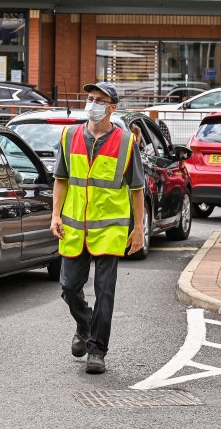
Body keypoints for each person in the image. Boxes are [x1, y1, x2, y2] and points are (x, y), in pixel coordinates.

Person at [49, 81, 145, 374]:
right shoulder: (69, 136)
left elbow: (137, 188)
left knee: (105, 292)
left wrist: (138, 228)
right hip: (75, 228)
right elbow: (61, 180)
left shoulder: (126, 142)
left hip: (109, 229)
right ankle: (85, 323)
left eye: (99, 100)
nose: (92, 103)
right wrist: (55, 215)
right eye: (90, 98)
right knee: (68, 287)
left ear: (111, 108)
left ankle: (97, 351)